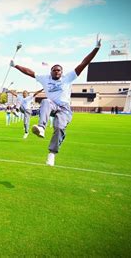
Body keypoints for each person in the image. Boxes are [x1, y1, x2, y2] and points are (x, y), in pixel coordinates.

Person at [10, 35, 101, 166]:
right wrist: (15, 65)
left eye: (59, 70)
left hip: (64, 108)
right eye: (54, 70)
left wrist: (96, 48)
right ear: (51, 71)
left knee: (59, 127)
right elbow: (29, 72)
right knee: (46, 101)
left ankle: (52, 153)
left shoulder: (68, 77)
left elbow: (84, 63)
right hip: (52, 105)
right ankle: (41, 127)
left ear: (62, 72)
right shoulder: (45, 78)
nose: (57, 72)